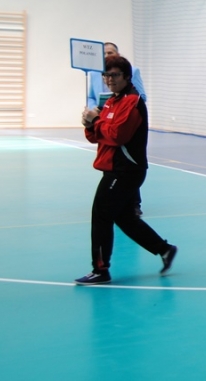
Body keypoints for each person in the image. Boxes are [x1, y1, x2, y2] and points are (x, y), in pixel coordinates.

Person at [75, 56, 177, 285]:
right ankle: (164, 249)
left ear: (127, 77)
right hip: (113, 168)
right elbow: (98, 137)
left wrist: (97, 120)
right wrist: (89, 124)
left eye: (114, 75)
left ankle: (100, 270)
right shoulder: (111, 102)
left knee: (101, 215)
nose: (109, 80)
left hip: (125, 171)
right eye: (106, 75)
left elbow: (118, 136)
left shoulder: (132, 102)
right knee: (125, 219)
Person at [87, 42, 147, 216]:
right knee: (123, 218)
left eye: (111, 52)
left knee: (104, 213)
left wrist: (112, 109)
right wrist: (92, 115)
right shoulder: (94, 75)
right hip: (104, 122)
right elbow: (91, 97)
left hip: (125, 156)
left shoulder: (131, 79)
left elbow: (140, 96)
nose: (107, 56)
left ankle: (134, 203)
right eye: (104, 53)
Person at [87, 42, 146, 108]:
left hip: (123, 110)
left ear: (118, 55)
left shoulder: (132, 71)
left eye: (110, 53)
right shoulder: (94, 73)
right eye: (103, 54)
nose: (106, 56)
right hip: (101, 112)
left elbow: (142, 97)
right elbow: (91, 97)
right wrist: (94, 108)